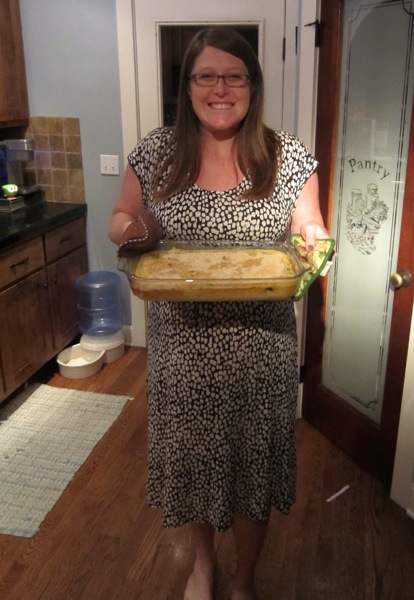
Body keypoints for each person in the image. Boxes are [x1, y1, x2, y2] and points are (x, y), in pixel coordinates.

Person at [109, 26, 329, 600]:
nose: (220, 88)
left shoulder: (287, 156)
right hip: (182, 351)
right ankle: (203, 567)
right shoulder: (157, 153)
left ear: (253, 85)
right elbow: (121, 218)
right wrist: (135, 229)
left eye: (235, 76)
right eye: (206, 76)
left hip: (262, 350)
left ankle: (245, 581)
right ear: (188, 86)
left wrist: (313, 237)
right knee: (196, 466)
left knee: (253, 470)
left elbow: (309, 223)